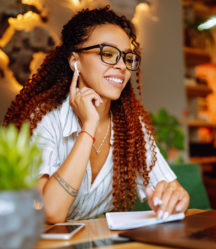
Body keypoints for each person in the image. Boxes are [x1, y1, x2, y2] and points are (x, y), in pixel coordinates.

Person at [4, 5, 189, 223]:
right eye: (108, 54)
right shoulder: (46, 118)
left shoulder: (131, 125)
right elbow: (50, 212)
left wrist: (176, 198)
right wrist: (88, 127)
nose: (122, 66)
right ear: (75, 62)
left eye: (127, 58)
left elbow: (170, 188)